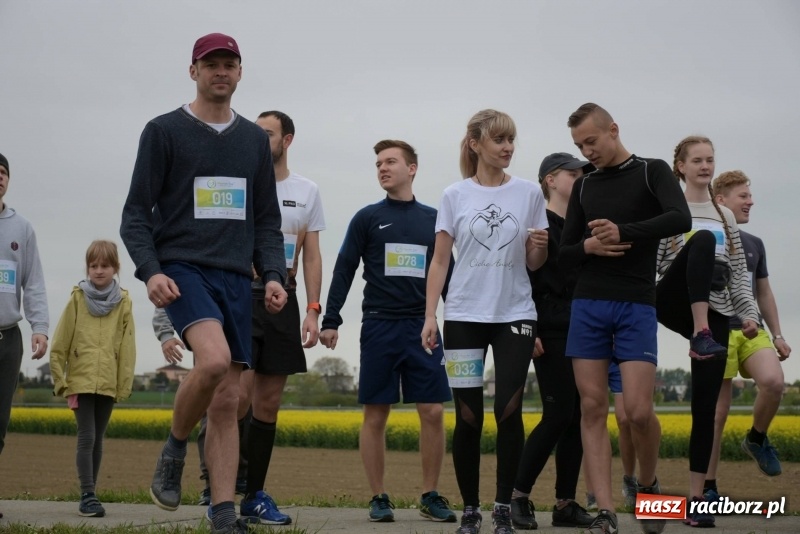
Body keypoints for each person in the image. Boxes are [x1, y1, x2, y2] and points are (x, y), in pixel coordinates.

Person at [120, 33, 287, 534]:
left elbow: (266, 219)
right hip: (183, 269)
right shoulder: (164, 131)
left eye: (229, 64)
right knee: (213, 360)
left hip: (236, 276)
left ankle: (223, 512)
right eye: (210, 64)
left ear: (240, 73)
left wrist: (273, 274)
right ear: (193, 71)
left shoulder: (253, 141)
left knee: (229, 400)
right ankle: (174, 448)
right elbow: (135, 215)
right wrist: (151, 271)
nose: (220, 72)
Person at [560, 103, 691, 534]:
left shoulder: (652, 171)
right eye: (579, 146)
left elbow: (681, 217)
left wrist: (624, 232)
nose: (587, 152)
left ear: (613, 129)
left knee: (637, 412)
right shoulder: (583, 186)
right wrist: (588, 248)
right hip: (588, 304)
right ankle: (606, 511)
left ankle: (649, 489)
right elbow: (564, 254)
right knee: (592, 408)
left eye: (591, 142)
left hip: (636, 302)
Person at [421, 109, 548, 534]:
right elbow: (440, 261)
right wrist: (430, 316)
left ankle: (502, 509)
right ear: (476, 144)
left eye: (511, 140)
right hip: (462, 316)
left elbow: (535, 262)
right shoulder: (454, 195)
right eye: (499, 140)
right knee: (468, 415)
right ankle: (471, 511)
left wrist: (539, 246)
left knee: (508, 409)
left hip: (515, 314)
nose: (508, 147)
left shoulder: (529, 193)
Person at [320, 140, 456, 524]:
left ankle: (429, 495)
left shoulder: (435, 219)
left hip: (422, 326)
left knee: (432, 410)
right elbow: (344, 268)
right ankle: (378, 497)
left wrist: (460, 325)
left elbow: (448, 275)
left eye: (391, 161)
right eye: (378, 163)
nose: (382, 168)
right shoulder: (367, 218)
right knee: (376, 412)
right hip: (379, 324)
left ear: (412, 169)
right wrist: (331, 319)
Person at [656, 136, 759, 528]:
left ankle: (697, 501)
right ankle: (699, 332)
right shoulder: (669, 210)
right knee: (699, 241)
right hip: (672, 299)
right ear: (681, 167)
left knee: (705, 408)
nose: (705, 166)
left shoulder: (724, 215)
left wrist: (748, 314)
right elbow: (654, 264)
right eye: (697, 160)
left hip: (716, 308)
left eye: (710, 160)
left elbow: (738, 272)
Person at [238, 110, 326, 525]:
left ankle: (253, 495)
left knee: (268, 403)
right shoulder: (239, 182)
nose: (260, 139)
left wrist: (312, 309)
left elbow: (312, 255)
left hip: (282, 300)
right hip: (241, 296)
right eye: (255, 133)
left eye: (268, 134)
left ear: (287, 140)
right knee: (236, 398)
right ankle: (219, 488)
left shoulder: (307, 191)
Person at [509, 153, 593, 530]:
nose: (580, 178)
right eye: (572, 174)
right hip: (550, 328)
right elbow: (521, 280)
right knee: (558, 413)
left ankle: (565, 504)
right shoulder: (536, 226)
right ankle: (516, 496)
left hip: (584, 328)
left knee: (578, 417)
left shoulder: (583, 226)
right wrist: (530, 330)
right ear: (550, 180)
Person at [705, 170, 790, 492]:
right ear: (721, 200)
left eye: (750, 196)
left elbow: (763, 292)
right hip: (717, 332)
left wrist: (778, 335)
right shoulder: (705, 238)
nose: (750, 202)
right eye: (743, 196)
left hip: (753, 329)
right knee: (717, 414)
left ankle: (756, 438)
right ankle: (709, 487)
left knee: (773, 382)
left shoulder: (755, 244)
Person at [49, 240, 136, 518]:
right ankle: (87, 494)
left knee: (98, 438)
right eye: (93, 265)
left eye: (105, 265)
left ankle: (92, 494)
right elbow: (61, 340)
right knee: (86, 436)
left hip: (108, 379)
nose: (99, 270)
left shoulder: (124, 302)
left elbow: (128, 346)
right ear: (87, 268)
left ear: (116, 268)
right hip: (80, 378)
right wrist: (59, 379)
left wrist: (123, 383)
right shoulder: (77, 299)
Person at [0, 152, 49, 520]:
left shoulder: (22, 228)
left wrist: (40, 327)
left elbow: (33, 283)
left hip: (8, 339)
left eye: (3, 173)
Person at [585, 363, 637, 512]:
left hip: (619, 356)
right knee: (591, 418)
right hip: (592, 353)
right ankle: (593, 493)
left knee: (625, 419)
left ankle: (629, 480)